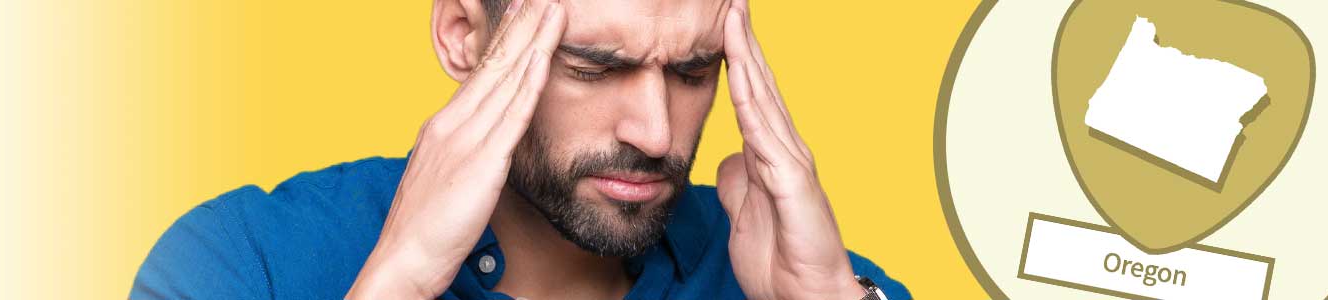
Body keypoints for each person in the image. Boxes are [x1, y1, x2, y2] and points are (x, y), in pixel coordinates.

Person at [129, 0, 908, 299]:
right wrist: (398, 281)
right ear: (466, 37)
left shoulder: (796, 275)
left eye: (693, 71)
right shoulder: (239, 262)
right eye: (592, 68)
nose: (657, 133)